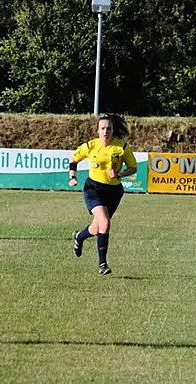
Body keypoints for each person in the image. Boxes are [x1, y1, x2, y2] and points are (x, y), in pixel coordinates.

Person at [68, 114, 138, 275]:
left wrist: (120, 174)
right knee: (105, 223)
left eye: (109, 128)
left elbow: (133, 168)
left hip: (114, 191)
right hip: (94, 189)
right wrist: (72, 176)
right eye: (103, 128)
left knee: (97, 227)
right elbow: (74, 159)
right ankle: (102, 264)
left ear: (113, 130)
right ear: (98, 130)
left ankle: (79, 236)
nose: (105, 131)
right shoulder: (90, 146)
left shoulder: (121, 147)